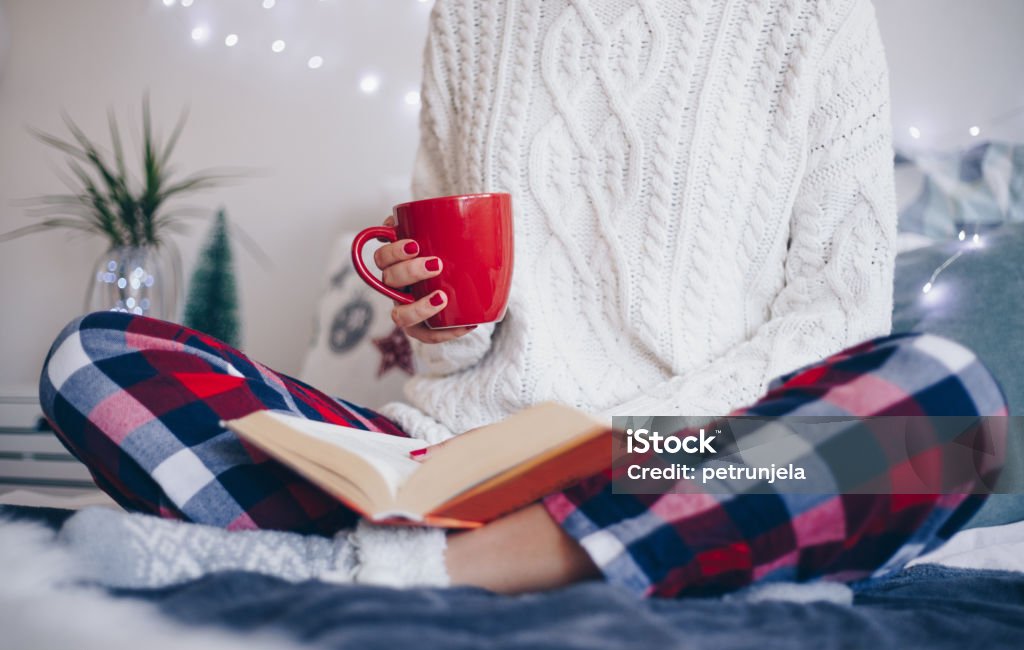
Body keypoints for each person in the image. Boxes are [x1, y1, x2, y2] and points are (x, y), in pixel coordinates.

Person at [42, 0, 1006, 597]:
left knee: (945, 418)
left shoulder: (813, 13)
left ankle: (383, 569)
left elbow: (839, 316)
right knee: (92, 360)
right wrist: (441, 327)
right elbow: (454, 318)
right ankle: (604, 560)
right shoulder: (471, 12)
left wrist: (622, 441)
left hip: (684, 451)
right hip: (452, 457)